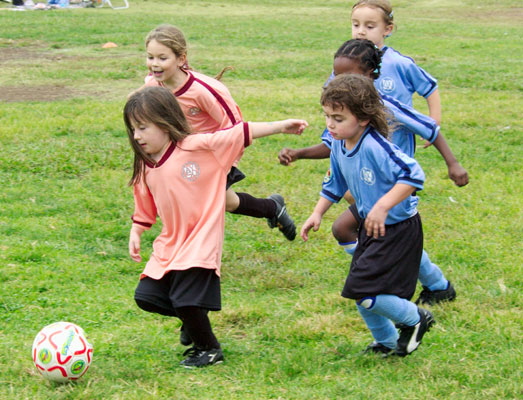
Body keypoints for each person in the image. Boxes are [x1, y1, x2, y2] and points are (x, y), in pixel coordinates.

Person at [125, 86, 307, 368]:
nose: (137, 136)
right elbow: (144, 198)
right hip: (171, 241)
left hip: (201, 238)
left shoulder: (197, 146)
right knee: (147, 297)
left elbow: (238, 133)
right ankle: (193, 321)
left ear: (165, 123)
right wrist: (137, 229)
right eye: (133, 129)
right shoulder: (145, 162)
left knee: (185, 300)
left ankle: (209, 349)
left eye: (143, 128)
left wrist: (280, 126)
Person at [281, 39, 468, 305]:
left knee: (381, 238)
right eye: (336, 75)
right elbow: (333, 146)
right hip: (367, 191)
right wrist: (299, 153)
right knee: (344, 228)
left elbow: (430, 129)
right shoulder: (342, 113)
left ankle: (402, 280)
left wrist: (453, 163)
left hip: (395, 189)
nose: (339, 81)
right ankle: (401, 278)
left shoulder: (385, 107)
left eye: (348, 75)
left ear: (371, 75)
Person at [301, 74, 434, 356]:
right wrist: (317, 213)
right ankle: (387, 342)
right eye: (327, 116)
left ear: (362, 118)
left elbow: (413, 174)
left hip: (398, 228)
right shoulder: (339, 144)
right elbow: (334, 183)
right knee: (359, 292)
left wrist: (383, 206)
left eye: (338, 118)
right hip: (372, 227)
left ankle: (415, 318)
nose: (330, 124)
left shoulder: (375, 146)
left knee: (365, 291)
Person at [140, 24, 296, 242]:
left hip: (213, 153)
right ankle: (272, 208)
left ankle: (192, 248)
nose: (155, 64)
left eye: (162, 58)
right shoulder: (153, 86)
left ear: (181, 58)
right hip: (185, 154)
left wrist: (227, 164)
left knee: (207, 202)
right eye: (150, 57)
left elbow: (236, 128)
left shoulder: (203, 91)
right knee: (226, 202)